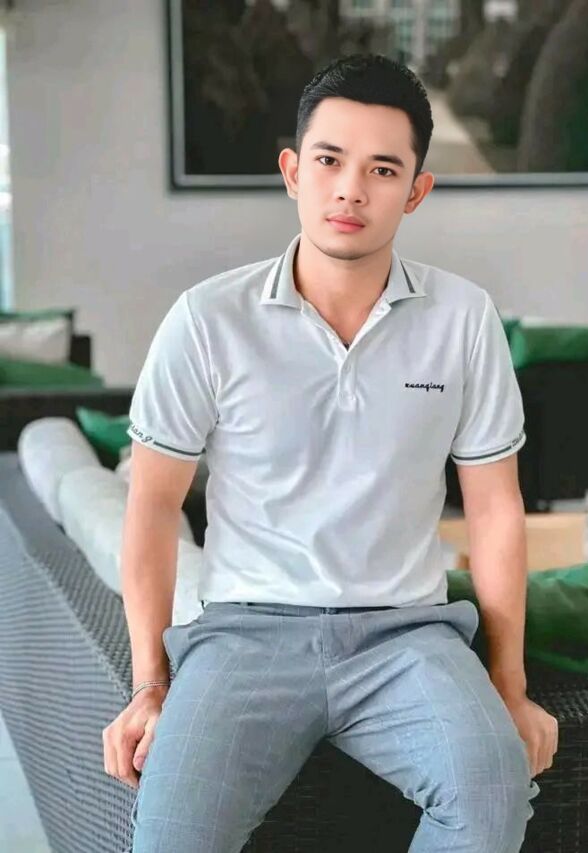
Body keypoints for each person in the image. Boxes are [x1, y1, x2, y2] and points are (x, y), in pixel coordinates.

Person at [103, 53, 557, 852]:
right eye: (329, 160)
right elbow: (152, 503)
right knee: (170, 836)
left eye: (383, 169)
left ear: (416, 190)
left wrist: (509, 684)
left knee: (492, 790)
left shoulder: (463, 318)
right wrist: (148, 682)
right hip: (243, 636)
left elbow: (494, 508)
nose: (351, 188)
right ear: (292, 172)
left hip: (408, 635)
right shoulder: (207, 319)